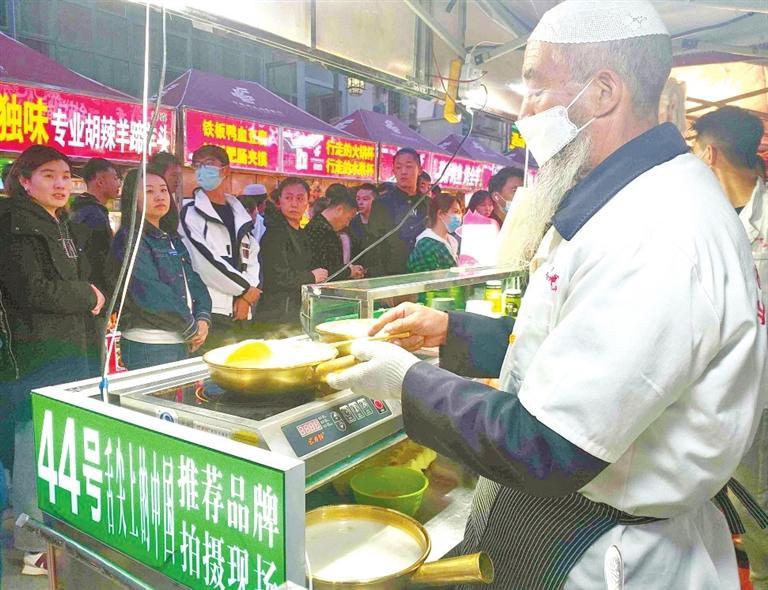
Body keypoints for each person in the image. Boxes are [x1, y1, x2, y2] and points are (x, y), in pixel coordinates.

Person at [327, 2, 768, 588]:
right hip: (581, 521)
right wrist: (452, 331)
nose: (524, 113)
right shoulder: (632, 199)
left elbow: (548, 445)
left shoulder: (658, 231)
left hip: (611, 551)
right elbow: (580, 339)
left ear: (603, 91)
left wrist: (405, 381)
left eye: (536, 88)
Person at [0, 145, 105, 576]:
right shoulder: (14, 226)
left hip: (67, 352)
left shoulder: (60, 222)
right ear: (25, 181)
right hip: (33, 356)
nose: (60, 183)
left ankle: (50, 529)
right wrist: (87, 295)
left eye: (65, 175)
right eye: (48, 175)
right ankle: (30, 546)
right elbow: (32, 290)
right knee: (32, 446)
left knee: (54, 447)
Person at [691, 105, 768, 590]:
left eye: (696, 148)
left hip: (759, 391)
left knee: (756, 503)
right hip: (721, 388)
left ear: (711, 154)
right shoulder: (709, 216)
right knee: (732, 497)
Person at [109, 168, 211, 369]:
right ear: (133, 199)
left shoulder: (171, 238)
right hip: (150, 344)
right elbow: (149, 291)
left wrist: (203, 318)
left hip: (179, 340)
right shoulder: (130, 239)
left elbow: (194, 281)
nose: (159, 196)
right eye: (149, 191)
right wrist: (191, 327)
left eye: (164, 190)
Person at [178, 145, 261, 351]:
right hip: (211, 310)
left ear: (225, 170)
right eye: (197, 165)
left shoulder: (239, 213)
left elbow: (251, 255)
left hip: (242, 311)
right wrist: (246, 290)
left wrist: (246, 298)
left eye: (209, 164)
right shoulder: (190, 214)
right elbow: (205, 262)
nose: (202, 170)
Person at [257, 177, 327, 323]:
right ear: (279, 200)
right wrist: (311, 277)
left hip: (295, 310)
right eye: (288, 198)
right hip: (277, 314)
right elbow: (277, 277)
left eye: (300, 198)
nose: (294, 204)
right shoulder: (275, 233)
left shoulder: (301, 233)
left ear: (307, 202)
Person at [366, 147, 429, 277]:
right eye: (398, 167)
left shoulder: (428, 205)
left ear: (419, 170)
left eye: (409, 166)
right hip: (390, 276)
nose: (403, 172)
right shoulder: (381, 204)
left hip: (422, 275)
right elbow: (373, 245)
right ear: (393, 171)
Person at [70, 157, 120, 293]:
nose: (119, 183)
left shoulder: (79, 208)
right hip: (96, 290)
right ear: (100, 181)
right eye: (115, 178)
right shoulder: (94, 214)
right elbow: (100, 260)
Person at [306, 183, 364, 281]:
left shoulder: (322, 227)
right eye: (348, 219)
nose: (347, 224)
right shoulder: (319, 230)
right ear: (339, 209)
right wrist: (349, 271)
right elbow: (324, 269)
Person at [406, 194, 461, 273]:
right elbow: (425, 277)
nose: (459, 216)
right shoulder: (425, 245)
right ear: (440, 214)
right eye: (456, 212)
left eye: (460, 212)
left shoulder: (453, 241)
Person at [348, 183, 378, 260]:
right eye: (358, 199)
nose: (360, 203)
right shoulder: (351, 222)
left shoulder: (383, 223)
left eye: (365, 199)